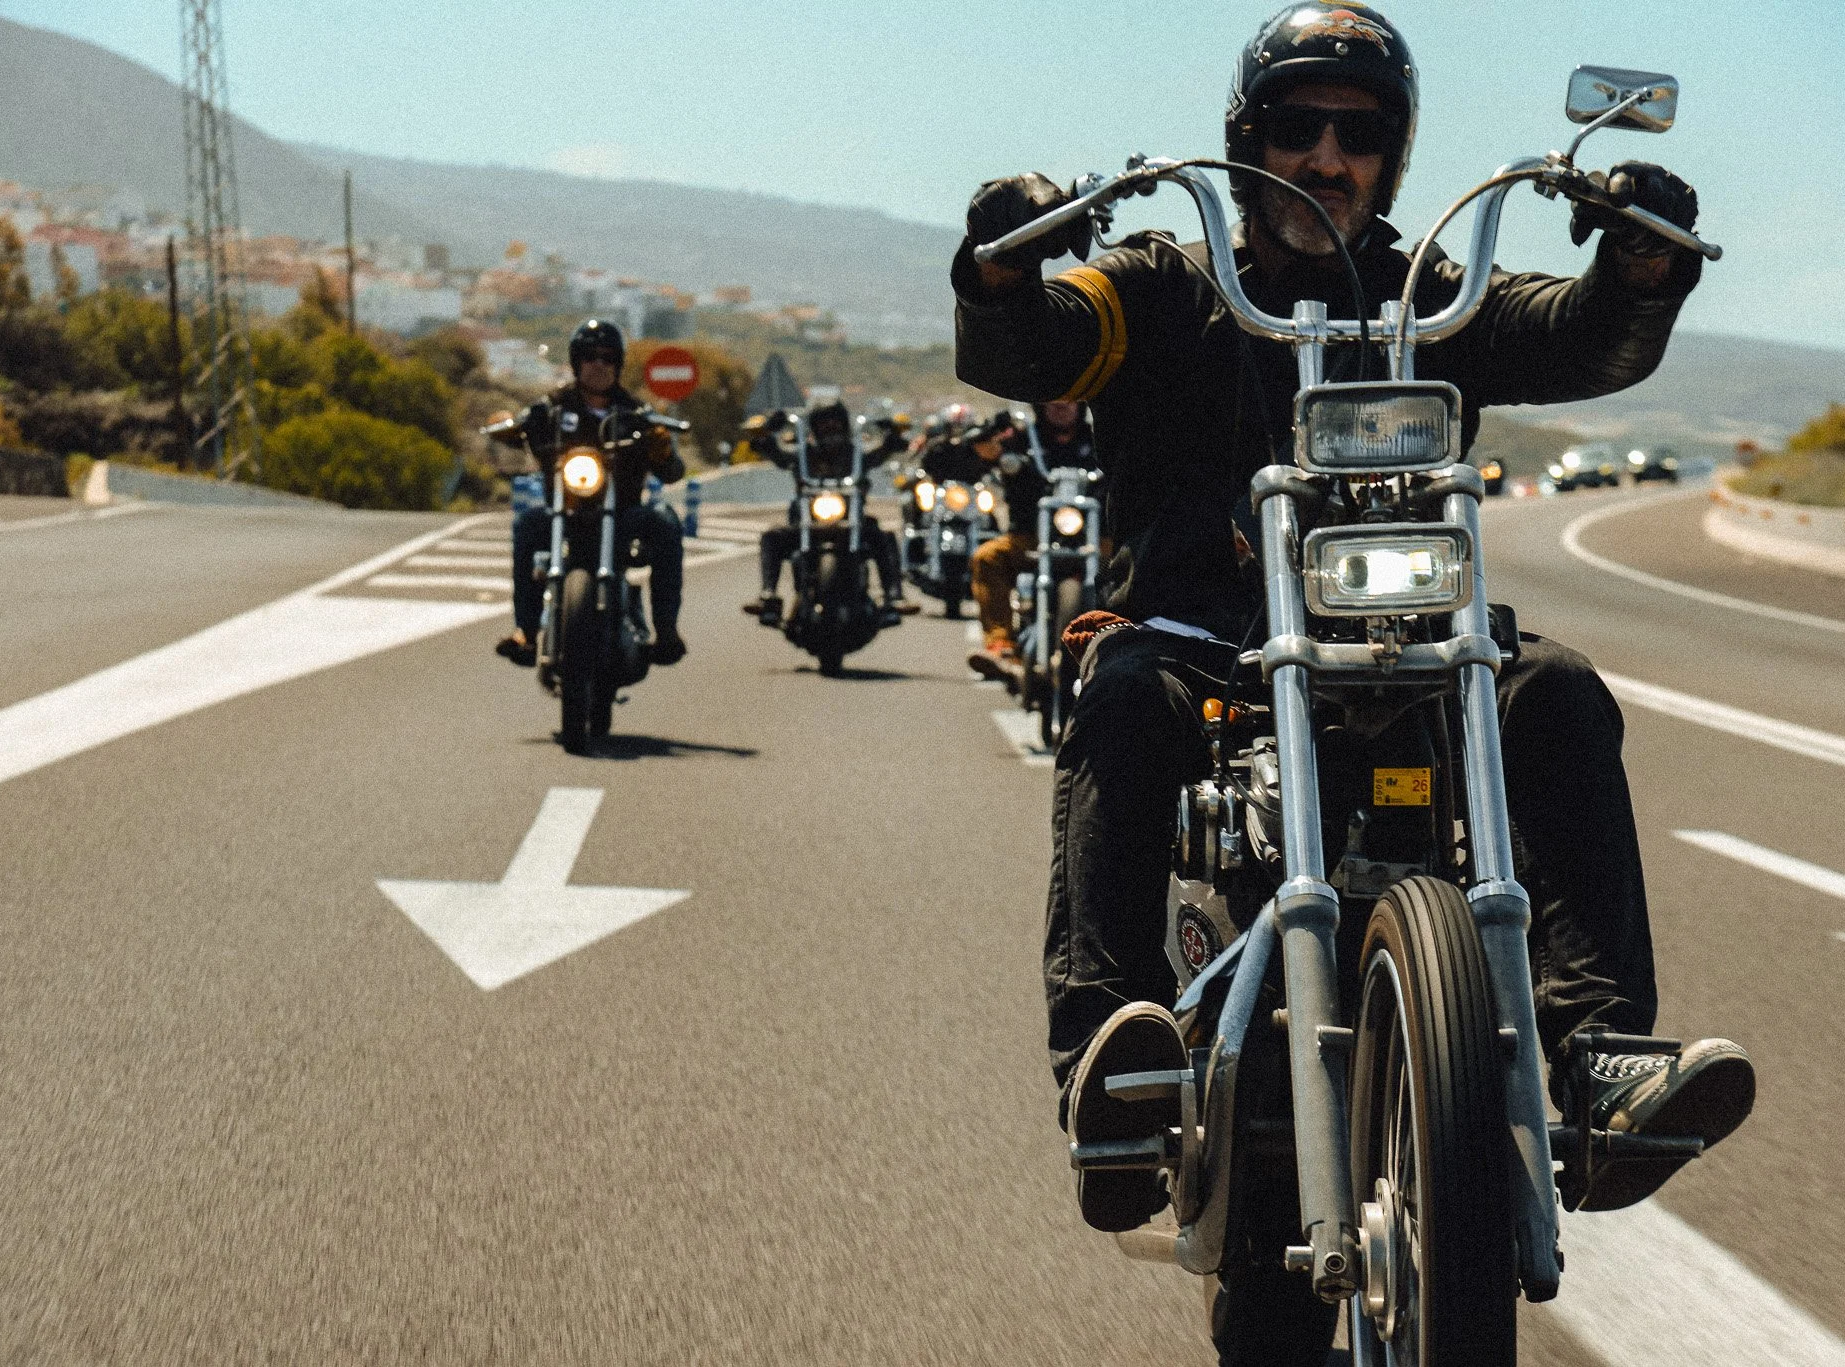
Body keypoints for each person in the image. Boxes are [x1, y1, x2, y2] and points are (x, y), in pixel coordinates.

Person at [954, 5, 1753, 1356]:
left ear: (1392, 154)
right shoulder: (1159, 280)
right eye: (1296, 126)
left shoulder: (1432, 294)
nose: (1326, 155)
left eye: (1360, 133)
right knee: (1119, 688)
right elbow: (1030, 345)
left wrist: (1635, 270)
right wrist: (1004, 266)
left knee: (1553, 690)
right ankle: (1116, 1057)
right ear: (1246, 138)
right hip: (1205, 633)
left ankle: (1593, 1053)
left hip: (1407, 643)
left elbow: (1576, 338)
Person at [495, 319, 688, 667]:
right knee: (526, 526)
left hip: (623, 515)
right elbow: (522, 427)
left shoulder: (636, 413)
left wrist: (661, 448)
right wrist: (513, 428)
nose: (599, 364)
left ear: (618, 364)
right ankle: (524, 631)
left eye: (608, 357)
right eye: (590, 356)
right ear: (575, 361)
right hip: (564, 514)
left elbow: (673, 473)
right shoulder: (552, 408)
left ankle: (667, 630)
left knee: (665, 522)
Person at [740, 400, 918, 625]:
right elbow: (779, 455)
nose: (831, 430)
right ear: (814, 428)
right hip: (807, 521)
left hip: (853, 521)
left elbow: (882, 452)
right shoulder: (803, 455)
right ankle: (769, 596)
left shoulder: (856, 455)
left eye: (836, 424)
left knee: (884, 538)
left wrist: (892, 438)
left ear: (845, 426)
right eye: (824, 425)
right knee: (772, 538)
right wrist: (764, 438)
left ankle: (894, 597)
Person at [966, 400, 1097, 683]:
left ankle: (1126, 648)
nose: (1061, 404)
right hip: (1031, 538)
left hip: (1097, 541)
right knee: (987, 557)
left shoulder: (1101, 438)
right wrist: (985, 437)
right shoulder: (1022, 438)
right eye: (1053, 398)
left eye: (1069, 398)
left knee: (1136, 563)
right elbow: (983, 453)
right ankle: (1001, 648)